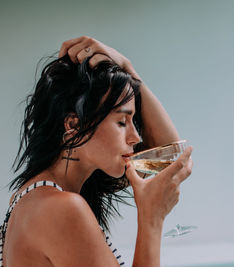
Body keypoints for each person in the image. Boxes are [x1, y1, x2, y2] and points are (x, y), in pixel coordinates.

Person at [0, 36, 193, 267]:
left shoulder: (38, 196)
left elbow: (170, 158)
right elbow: (172, 160)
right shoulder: (62, 209)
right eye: (122, 122)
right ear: (73, 125)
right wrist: (151, 219)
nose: (136, 137)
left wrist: (127, 68)